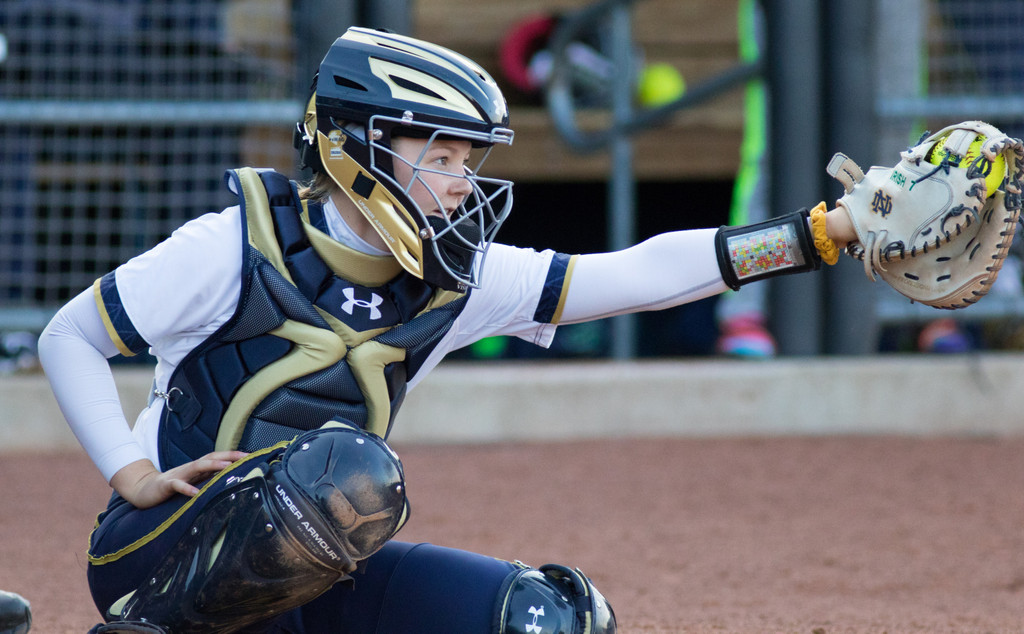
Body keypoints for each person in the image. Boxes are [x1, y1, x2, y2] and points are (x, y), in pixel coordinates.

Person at [38, 27, 856, 633]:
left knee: (550, 619)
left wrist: (823, 234)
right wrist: (131, 472)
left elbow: (635, 274)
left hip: (315, 581)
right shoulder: (236, 243)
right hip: (157, 559)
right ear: (361, 145)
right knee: (346, 470)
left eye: (470, 161)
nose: (464, 184)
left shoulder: (456, 277)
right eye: (443, 158)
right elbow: (69, 337)